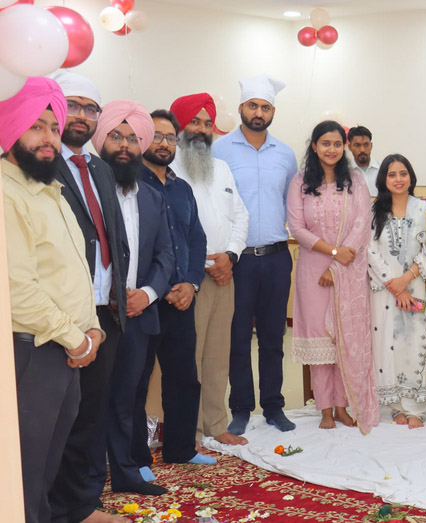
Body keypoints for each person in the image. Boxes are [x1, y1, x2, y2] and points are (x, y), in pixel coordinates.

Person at [2, 77, 111, 523]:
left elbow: (73, 273)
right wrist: (77, 339)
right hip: (33, 351)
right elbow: (18, 289)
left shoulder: (50, 190)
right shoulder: (6, 194)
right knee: (23, 476)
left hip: (64, 348)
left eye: (53, 127)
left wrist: (92, 329)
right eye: (36, 126)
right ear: (10, 128)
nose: (48, 138)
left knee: (46, 468)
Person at [48, 71, 131, 523]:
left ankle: (81, 504)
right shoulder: (41, 162)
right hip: (60, 315)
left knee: (90, 414)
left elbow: (114, 235)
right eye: (72, 105)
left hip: (105, 313)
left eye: (90, 108)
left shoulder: (99, 167)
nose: (81, 116)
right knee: (58, 418)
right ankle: (55, 506)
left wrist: (117, 295)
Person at [90, 101, 175, 498]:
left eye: (131, 138)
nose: (124, 145)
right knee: (92, 401)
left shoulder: (152, 197)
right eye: (116, 136)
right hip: (97, 314)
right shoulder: (88, 190)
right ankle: (88, 484)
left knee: (127, 399)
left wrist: (147, 294)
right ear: (101, 140)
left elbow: (165, 254)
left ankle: (125, 472)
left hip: (140, 313)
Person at [212, 75, 299, 434]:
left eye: (265, 107)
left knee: (273, 337)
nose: (258, 112)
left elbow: (291, 201)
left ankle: (274, 406)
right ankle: (241, 407)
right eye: (253, 106)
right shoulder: (220, 151)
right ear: (241, 108)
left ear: (272, 112)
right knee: (237, 337)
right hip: (238, 260)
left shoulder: (285, 154)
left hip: (277, 257)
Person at [132, 107, 213, 471]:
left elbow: (196, 238)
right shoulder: (130, 184)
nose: (164, 143)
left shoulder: (182, 188)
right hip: (146, 301)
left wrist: (191, 283)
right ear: (142, 139)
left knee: (184, 378)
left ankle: (181, 449)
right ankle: (135, 458)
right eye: (157, 136)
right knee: (137, 380)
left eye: (170, 137)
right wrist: (159, 287)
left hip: (183, 298)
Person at [169, 93, 251, 447]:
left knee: (218, 355)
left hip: (224, 274)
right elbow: (173, 229)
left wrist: (230, 256)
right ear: (179, 126)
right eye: (194, 122)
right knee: (188, 357)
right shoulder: (169, 169)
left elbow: (241, 216)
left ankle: (216, 423)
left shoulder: (222, 168)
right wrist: (206, 263)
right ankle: (188, 431)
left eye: (207, 123)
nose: (202, 130)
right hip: (188, 279)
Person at [287, 120, 378, 432]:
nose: (331, 149)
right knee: (320, 343)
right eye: (325, 143)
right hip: (313, 271)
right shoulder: (300, 182)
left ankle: (342, 405)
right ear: (314, 146)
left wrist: (338, 264)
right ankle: (325, 409)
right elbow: (297, 228)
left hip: (348, 271)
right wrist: (333, 252)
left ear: (345, 147)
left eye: (337, 144)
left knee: (344, 339)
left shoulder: (355, 180)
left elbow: (362, 224)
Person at [367, 153, 426, 428]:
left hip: (415, 287)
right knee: (388, 344)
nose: (398, 179)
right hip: (384, 290)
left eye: (403, 173)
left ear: (411, 177)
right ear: (383, 179)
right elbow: (370, 250)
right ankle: (395, 405)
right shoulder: (374, 212)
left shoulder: (424, 209)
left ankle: (416, 407)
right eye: (392, 174)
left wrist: (406, 279)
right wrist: (394, 285)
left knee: (416, 342)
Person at [348, 126, 379, 197]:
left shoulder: (382, 169)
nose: (362, 150)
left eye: (366, 145)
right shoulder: (345, 172)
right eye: (357, 145)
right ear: (350, 147)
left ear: (371, 146)